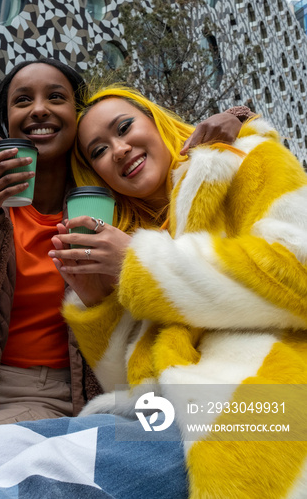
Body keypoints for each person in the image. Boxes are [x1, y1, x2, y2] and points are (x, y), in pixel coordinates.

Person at [0, 64, 250, 499]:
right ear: (6, 120)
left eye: (56, 97)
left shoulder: (111, 188)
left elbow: (176, 169)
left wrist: (241, 120)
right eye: (22, 101)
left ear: (77, 114)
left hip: (54, 401)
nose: (39, 110)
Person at [47, 84, 307, 498]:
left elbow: (299, 274)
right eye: (98, 151)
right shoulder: (137, 242)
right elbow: (124, 382)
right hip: (163, 413)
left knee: (44, 482)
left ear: (157, 121)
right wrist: (99, 303)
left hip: (271, 403)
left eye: (125, 127)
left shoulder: (247, 158)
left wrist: (139, 264)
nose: (118, 149)